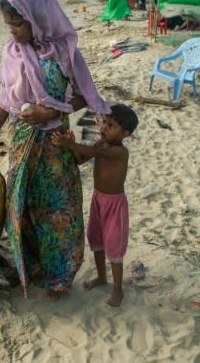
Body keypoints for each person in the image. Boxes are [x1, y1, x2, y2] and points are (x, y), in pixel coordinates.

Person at [0, 0, 111, 299]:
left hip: (55, 144)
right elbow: (5, 102)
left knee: (59, 209)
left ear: (35, 18)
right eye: (8, 25)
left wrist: (51, 113)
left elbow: (82, 97)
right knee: (22, 206)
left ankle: (60, 276)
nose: (13, 31)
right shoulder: (12, 53)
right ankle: (33, 267)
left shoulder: (63, 51)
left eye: (18, 24)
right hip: (22, 142)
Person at [51, 103, 138, 307]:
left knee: (114, 247)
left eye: (111, 126)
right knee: (97, 239)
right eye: (105, 123)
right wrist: (72, 146)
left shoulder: (119, 152)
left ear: (125, 133)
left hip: (114, 205)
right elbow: (82, 158)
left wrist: (71, 145)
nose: (104, 128)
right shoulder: (101, 144)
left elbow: (94, 153)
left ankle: (118, 290)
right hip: (98, 199)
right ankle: (101, 277)